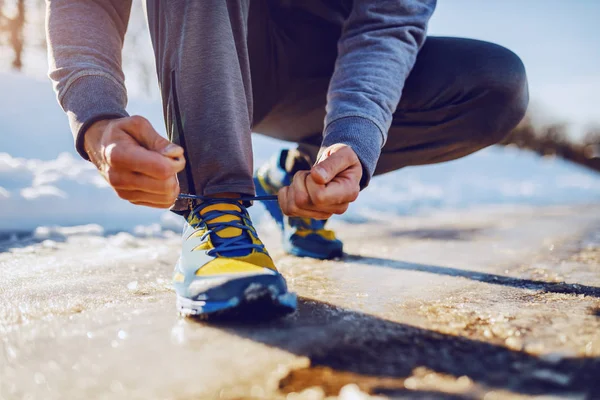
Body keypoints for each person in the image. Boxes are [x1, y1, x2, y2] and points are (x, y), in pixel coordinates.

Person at [46, 1, 528, 317]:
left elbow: (388, 23)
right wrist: (98, 118)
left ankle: (296, 174)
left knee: (495, 83)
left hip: (343, 63)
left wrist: (353, 139)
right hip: (229, 54)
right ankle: (216, 204)